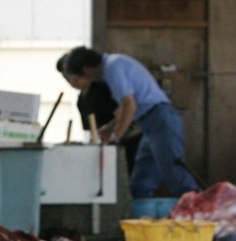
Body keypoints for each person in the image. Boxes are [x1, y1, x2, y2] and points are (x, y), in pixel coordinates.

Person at [64, 46, 198, 199]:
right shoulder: (112, 68)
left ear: (86, 69)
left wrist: (115, 138)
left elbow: (130, 106)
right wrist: (110, 127)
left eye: (79, 76)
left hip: (160, 120)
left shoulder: (113, 68)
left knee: (177, 177)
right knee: (140, 184)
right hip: (149, 124)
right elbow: (125, 107)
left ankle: (200, 216)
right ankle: (140, 220)